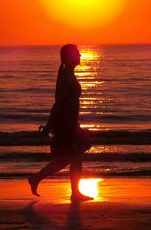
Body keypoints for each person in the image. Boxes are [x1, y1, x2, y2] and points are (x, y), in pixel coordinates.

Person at [28, 44, 93, 202]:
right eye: (77, 53)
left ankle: (37, 179)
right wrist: (50, 125)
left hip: (70, 122)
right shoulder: (66, 75)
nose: (80, 56)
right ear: (68, 57)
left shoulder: (69, 73)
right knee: (74, 155)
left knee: (67, 157)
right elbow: (58, 102)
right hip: (65, 123)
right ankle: (74, 193)